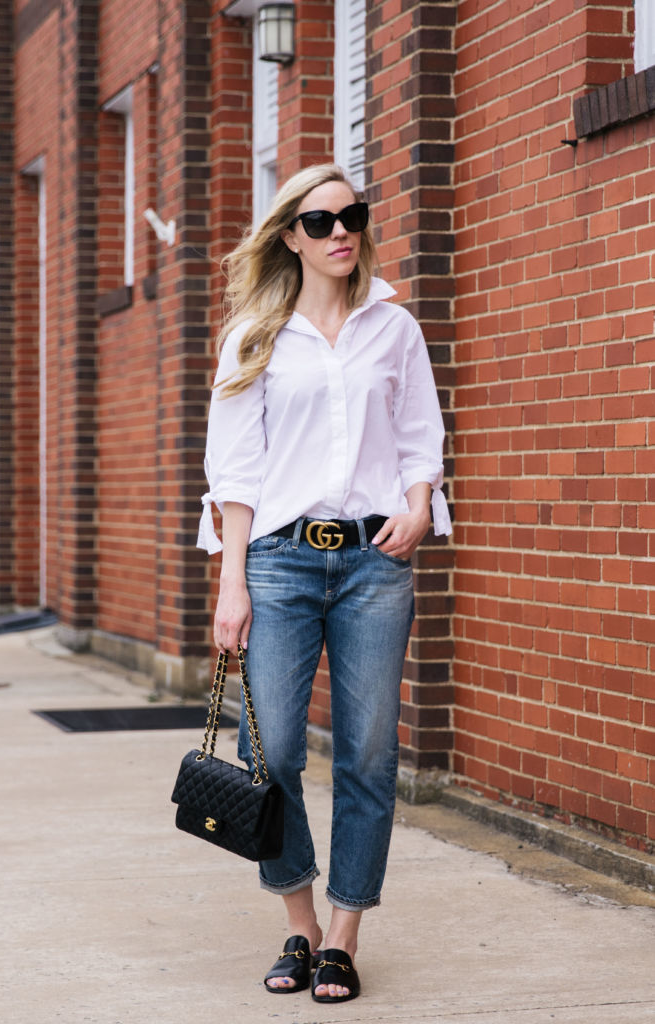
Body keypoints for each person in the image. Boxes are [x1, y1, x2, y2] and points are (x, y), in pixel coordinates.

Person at [197, 163, 451, 1004]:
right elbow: (234, 474)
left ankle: (342, 936)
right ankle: (299, 922)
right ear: (288, 236)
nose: (340, 231)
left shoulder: (393, 326)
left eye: (351, 215)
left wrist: (417, 508)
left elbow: (420, 434)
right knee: (265, 753)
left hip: (376, 564)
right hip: (277, 560)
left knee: (368, 757)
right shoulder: (254, 336)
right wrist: (232, 584)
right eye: (319, 221)